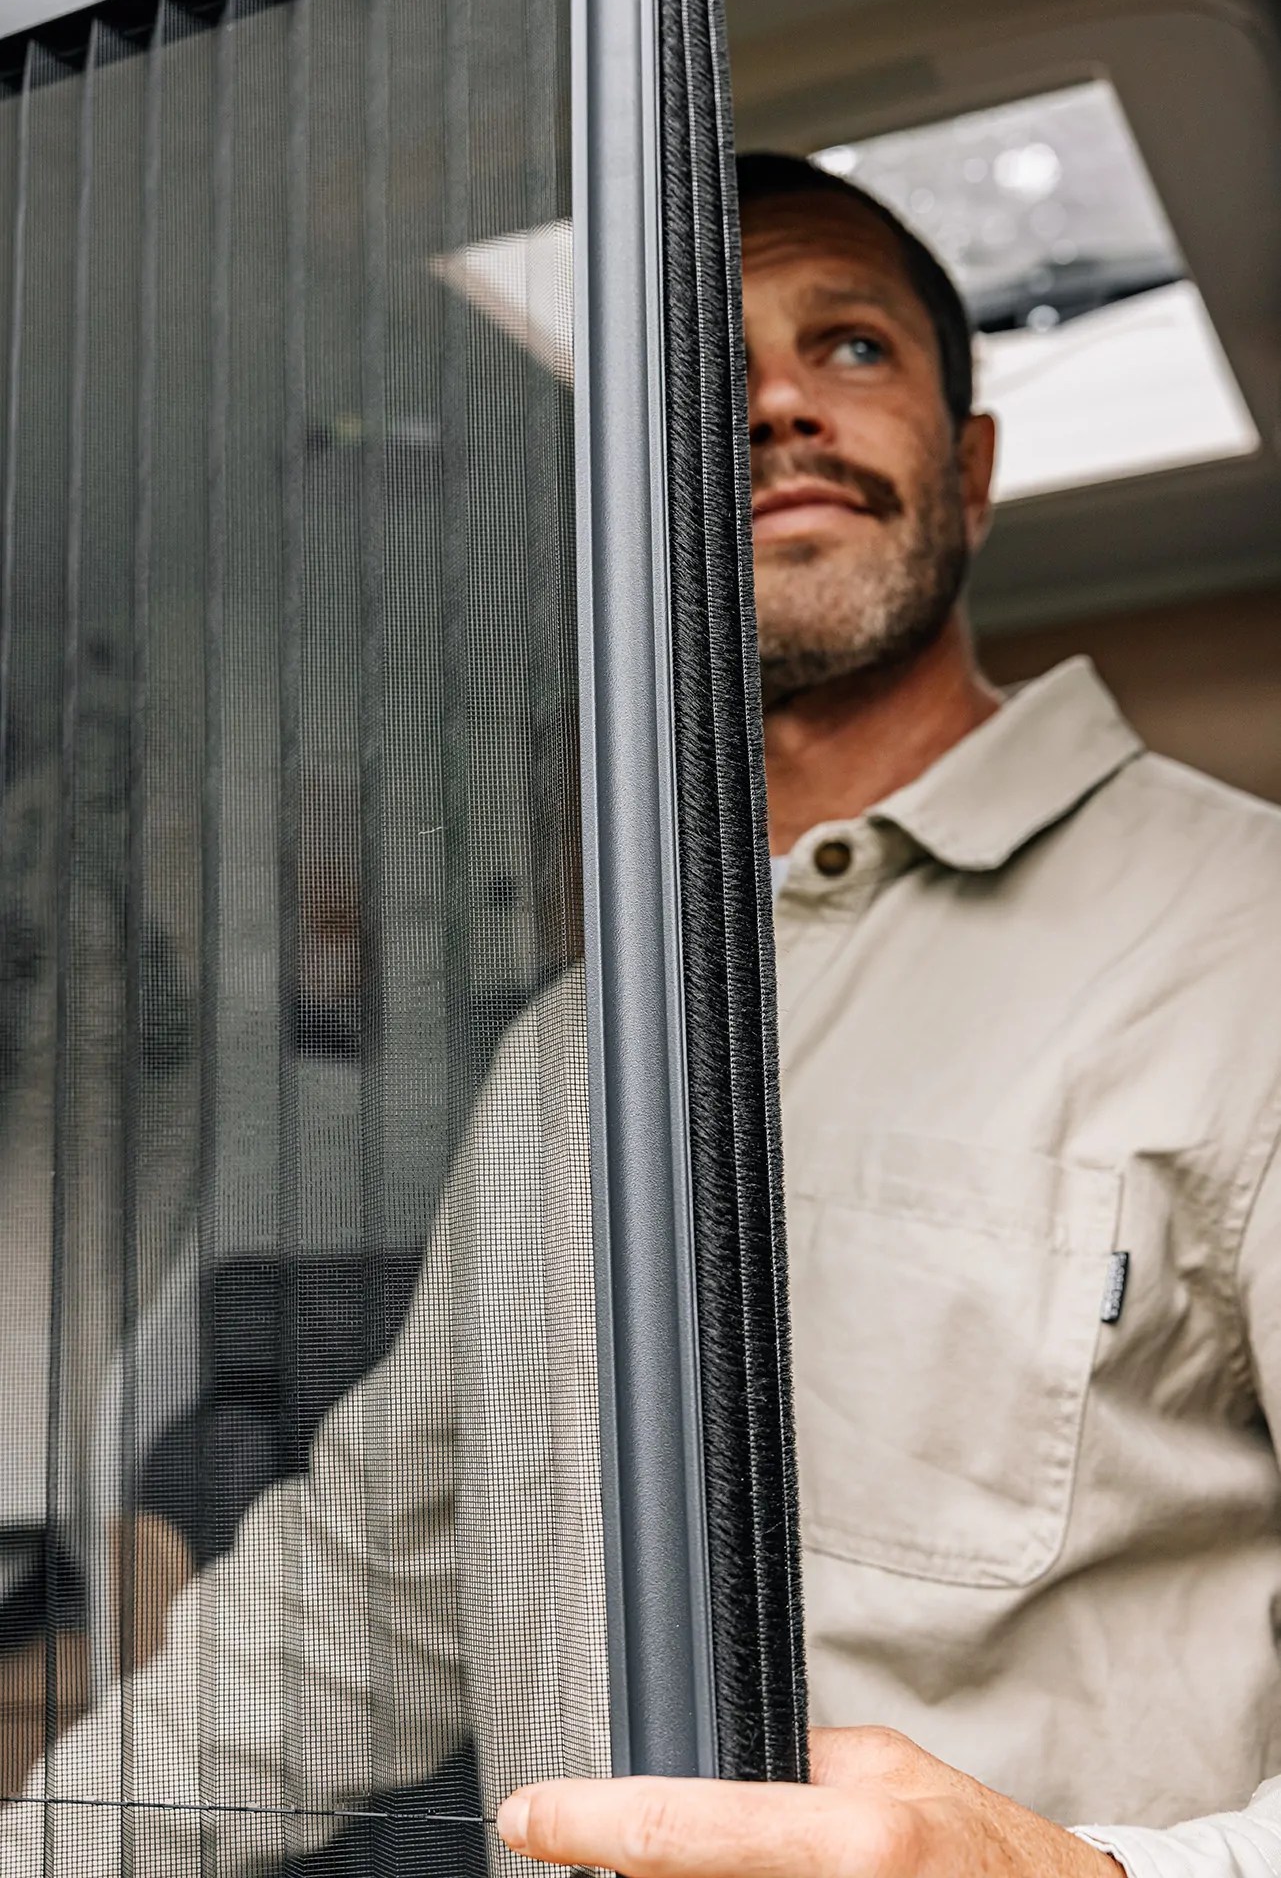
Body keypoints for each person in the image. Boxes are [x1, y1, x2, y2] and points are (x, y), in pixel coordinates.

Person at [7, 151, 1281, 1878]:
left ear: (972, 475)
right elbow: (371, 1579)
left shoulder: (1244, 938)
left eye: (849, 350)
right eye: (706, 367)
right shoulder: (574, 1053)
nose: (773, 404)